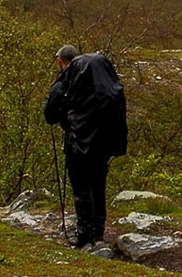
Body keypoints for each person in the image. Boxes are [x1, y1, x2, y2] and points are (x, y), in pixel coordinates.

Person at [41, 44, 128, 252]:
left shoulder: (65, 84)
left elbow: (50, 116)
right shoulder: (102, 80)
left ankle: (84, 236)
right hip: (102, 145)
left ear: (60, 60)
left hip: (77, 144)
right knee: (98, 187)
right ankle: (98, 234)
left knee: (82, 189)